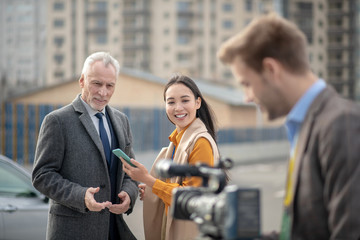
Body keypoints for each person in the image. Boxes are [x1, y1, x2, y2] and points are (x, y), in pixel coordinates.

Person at [217, 13, 360, 240]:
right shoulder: (305, 127)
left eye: (247, 84)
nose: (247, 98)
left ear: (271, 70)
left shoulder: (341, 124)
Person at [32, 52, 138, 240]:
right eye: (96, 83)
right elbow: (42, 175)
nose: (103, 92)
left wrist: (129, 195)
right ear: (82, 81)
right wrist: (81, 196)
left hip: (114, 230)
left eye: (109, 85)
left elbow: (132, 171)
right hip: (73, 232)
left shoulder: (122, 121)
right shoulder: (57, 121)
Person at [118, 75, 219, 240]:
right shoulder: (176, 142)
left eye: (185, 100)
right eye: (171, 102)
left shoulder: (200, 142)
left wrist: (150, 181)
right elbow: (175, 187)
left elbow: (192, 198)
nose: (178, 108)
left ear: (198, 103)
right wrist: (154, 190)